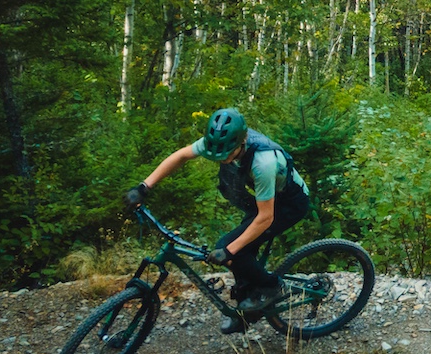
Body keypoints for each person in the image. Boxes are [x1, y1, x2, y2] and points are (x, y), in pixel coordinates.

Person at [125, 108, 311, 333]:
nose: (222, 158)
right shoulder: (220, 143)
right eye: (218, 154)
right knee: (238, 253)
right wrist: (144, 187)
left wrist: (230, 251)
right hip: (264, 200)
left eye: (227, 154)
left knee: (232, 249)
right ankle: (246, 312)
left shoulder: (263, 163)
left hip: (288, 204)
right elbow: (181, 155)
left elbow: (265, 217)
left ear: (241, 142)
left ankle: (272, 287)